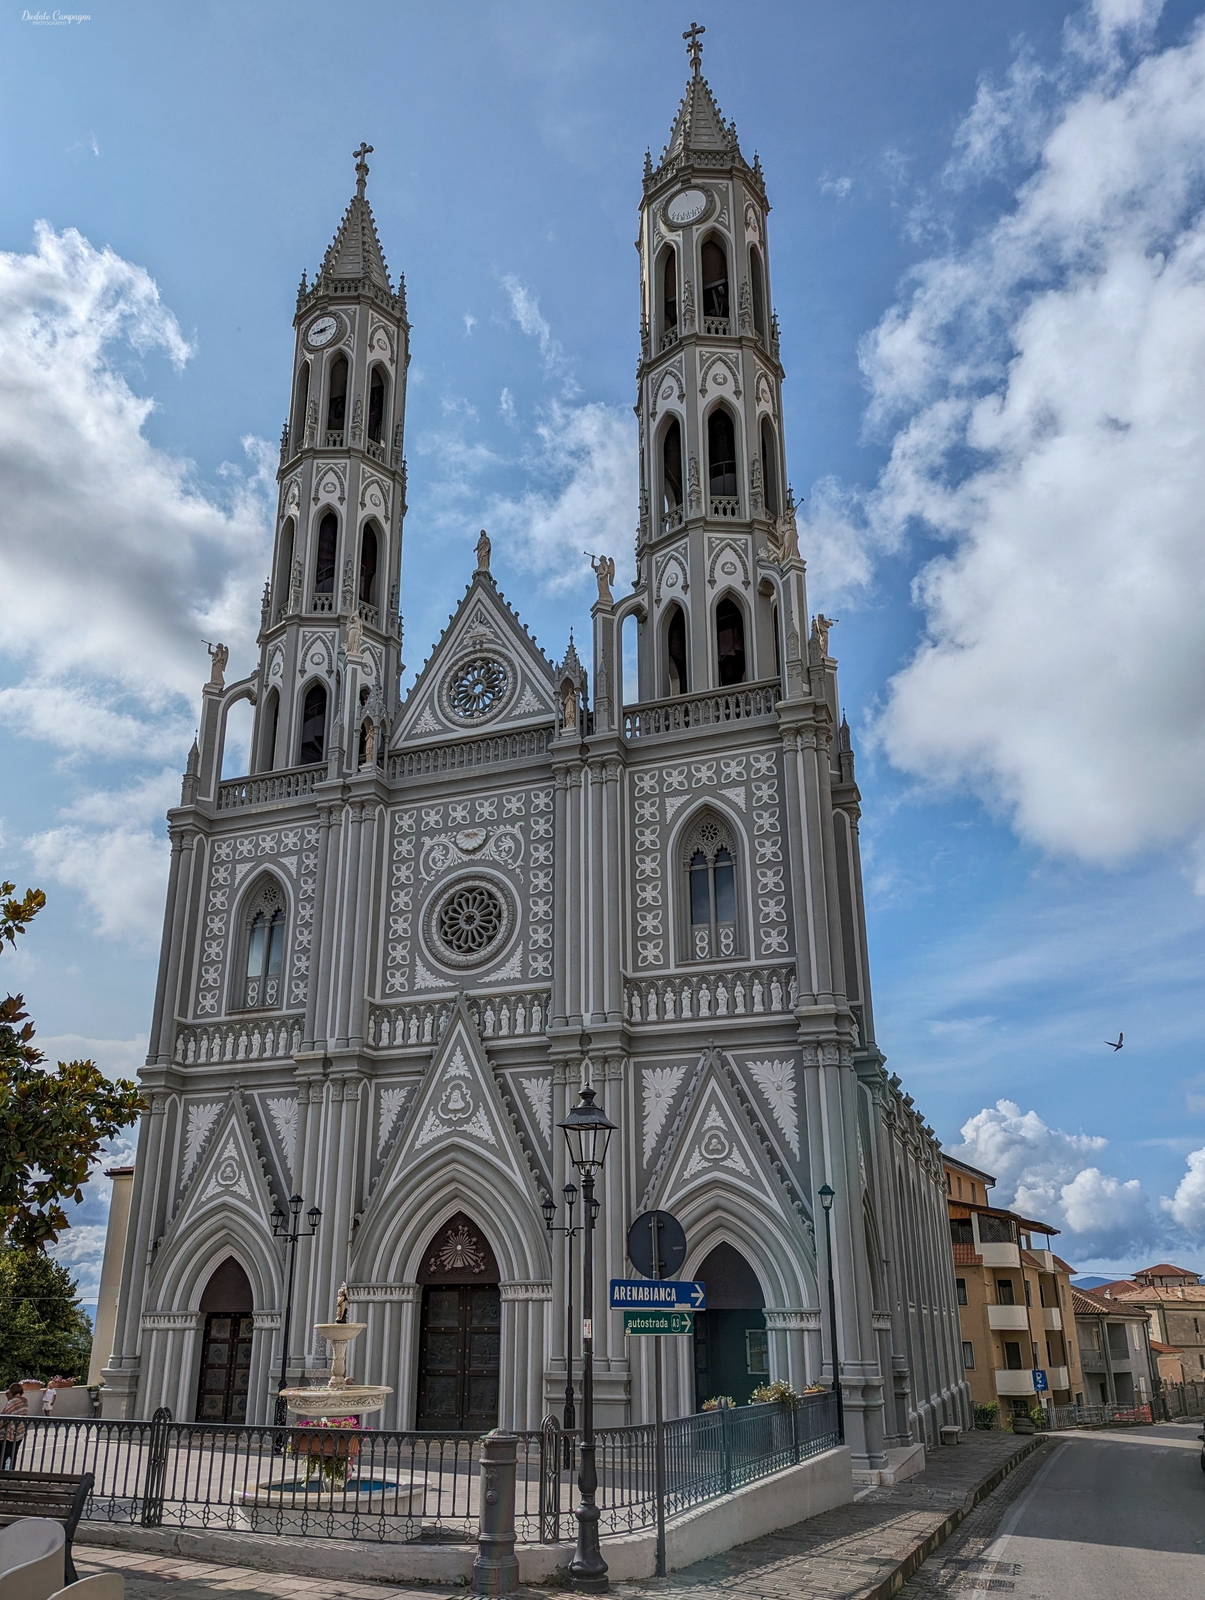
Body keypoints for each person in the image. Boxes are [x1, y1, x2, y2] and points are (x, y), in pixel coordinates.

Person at [1, 1383, 27, 1471]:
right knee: (13, 1454)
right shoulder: (25, 1401)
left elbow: (5, 1415)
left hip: (9, 1433)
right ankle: (10, 1472)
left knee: (4, 1455)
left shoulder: (13, 1402)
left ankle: (3, 1473)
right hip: (20, 1431)